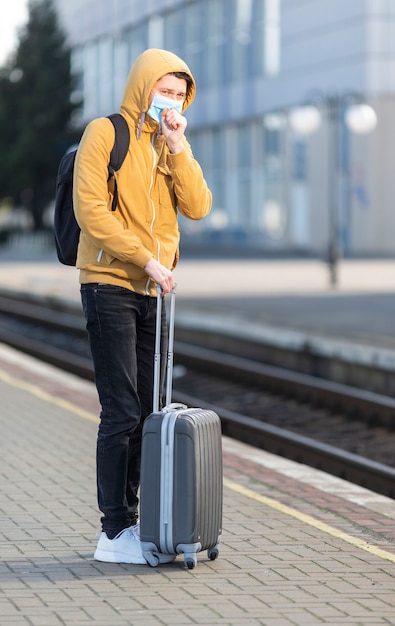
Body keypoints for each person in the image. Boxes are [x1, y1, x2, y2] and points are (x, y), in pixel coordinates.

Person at [73, 48, 212, 564]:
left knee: (150, 413)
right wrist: (145, 258)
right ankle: (113, 533)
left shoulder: (165, 145)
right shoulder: (105, 133)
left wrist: (179, 146)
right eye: (164, 91)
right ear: (143, 87)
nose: (171, 101)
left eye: (179, 95)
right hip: (110, 283)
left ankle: (141, 525)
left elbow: (197, 206)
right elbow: (90, 212)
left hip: (153, 291)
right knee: (122, 410)